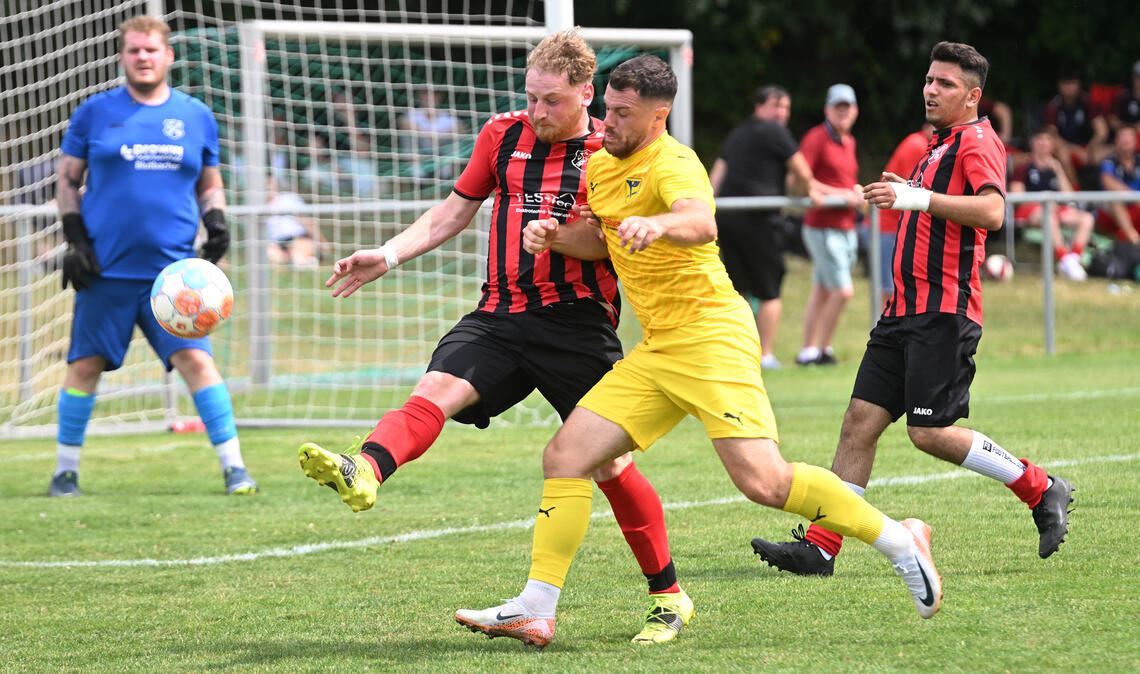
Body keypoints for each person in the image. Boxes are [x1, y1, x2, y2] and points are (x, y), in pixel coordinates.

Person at [454, 54, 945, 651]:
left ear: (659, 115)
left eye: (622, 113)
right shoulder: (603, 166)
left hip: (711, 336)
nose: (606, 121)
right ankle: (536, 607)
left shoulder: (674, 161)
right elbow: (601, 238)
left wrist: (658, 225)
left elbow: (699, 221)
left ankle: (900, 538)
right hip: (657, 348)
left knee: (763, 483)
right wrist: (557, 236)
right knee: (565, 455)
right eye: (606, 107)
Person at [296, 30, 688, 645]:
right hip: (500, 313)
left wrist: (559, 235)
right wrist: (390, 255)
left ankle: (668, 596)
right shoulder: (501, 135)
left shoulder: (613, 154)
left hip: (578, 325)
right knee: (435, 388)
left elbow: (610, 242)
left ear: (587, 93)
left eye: (552, 101)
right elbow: (454, 211)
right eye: (531, 97)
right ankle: (366, 467)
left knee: (608, 464)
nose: (537, 112)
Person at [751, 42, 1074, 578]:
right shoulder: (936, 145)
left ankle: (1041, 488)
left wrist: (917, 199)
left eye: (944, 84)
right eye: (929, 80)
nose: (930, 89)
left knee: (929, 432)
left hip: (943, 313)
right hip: (902, 313)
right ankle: (822, 547)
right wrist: (908, 190)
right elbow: (935, 208)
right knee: (858, 423)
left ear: (972, 96)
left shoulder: (975, 140)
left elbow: (993, 211)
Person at [49, 16, 257, 496]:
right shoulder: (94, 113)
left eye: (151, 50)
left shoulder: (196, 115)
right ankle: (64, 472)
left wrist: (218, 221)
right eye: (134, 50)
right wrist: (74, 236)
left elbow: (210, 183)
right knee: (84, 366)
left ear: (169, 56)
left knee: (198, 364)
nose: (143, 57)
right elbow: (67, 178)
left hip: (176, 279)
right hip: (106, 270)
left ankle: (235, 469)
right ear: (123, 57)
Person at [708, 85, 822, 370]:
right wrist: (811, 194)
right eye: (776, 106)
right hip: (758, 221)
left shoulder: (738, 133)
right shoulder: (774, 131)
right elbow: (802, 172)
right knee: (770, 290)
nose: (781, 113)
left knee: (739, 291)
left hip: (727, 219)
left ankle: (737, 355)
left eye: (786, 108)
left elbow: (715, 178)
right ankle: (764, 355)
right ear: (759, 107)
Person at [795, 84, 864, 366]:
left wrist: (855, 192)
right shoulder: (816, 138)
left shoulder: (849, 142)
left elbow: (844, 182)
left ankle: (808, 350)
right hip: (821, 226)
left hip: (845, 226)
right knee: (842, 291)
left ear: (856, 111)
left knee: (823, 290)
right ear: (827, 109)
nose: (843, 112)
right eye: (838, 106)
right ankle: (820, 350)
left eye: (847, 107)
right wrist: (842, 195)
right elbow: (804, 180)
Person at [1010, 130, 1094, 281]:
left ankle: (1072, 260)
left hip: (1056, 209)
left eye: (1047, 139)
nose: (1043, 143)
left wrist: (1059, 171)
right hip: (1031, 210)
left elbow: (1070, 198)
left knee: (1086, 218)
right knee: (1049, 217)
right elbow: (1017, 196)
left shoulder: (1057, 167)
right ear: (1033, 143)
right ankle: (1065, 259)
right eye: (1039, 139)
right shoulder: (1024, 167)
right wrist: (1044, 203)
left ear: (1053, 144)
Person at [872, 123, 933, 306]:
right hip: (889, 227)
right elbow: (913, 189)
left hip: (895, 227)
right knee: (890, 291)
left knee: (897, 290)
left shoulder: (923, 145)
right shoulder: (917, 144)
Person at [1043, 72, 1109, 187]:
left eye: (1072, 83)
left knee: (1116, 150)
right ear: (1060, 86)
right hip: (1066, 148)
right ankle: (1075, 194)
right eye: (1065, 83)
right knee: (1063, 154)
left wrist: (1090, 148)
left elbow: (1102, 131)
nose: (1069, 87)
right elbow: (1052, 136)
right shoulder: (1053, 106)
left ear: (1079, 84)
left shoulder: (1087, 101)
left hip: (1090, 147)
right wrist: (1077, 150)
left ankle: (1105, 193)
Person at [264, 175, 323, 268]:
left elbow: (307, 221)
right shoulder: (259, 207)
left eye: (269, 183)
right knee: (271, 255)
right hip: (276, 243)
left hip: (298, 238)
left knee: (299, 252)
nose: (267, 187)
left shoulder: (288, 199)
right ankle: (296, 262)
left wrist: (322, 241)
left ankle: (302, 261)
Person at [1097, 125, 1140, 243]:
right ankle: (1134, 240)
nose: (1126, 140)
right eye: (1122, 137)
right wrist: (1134, 196)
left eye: (1129, 137)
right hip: (1112, 209)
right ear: (1116, 141)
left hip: (1136, 206)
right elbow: (1108, 182)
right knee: (1115, 199)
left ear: (1135, 141)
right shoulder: (1109, 161)